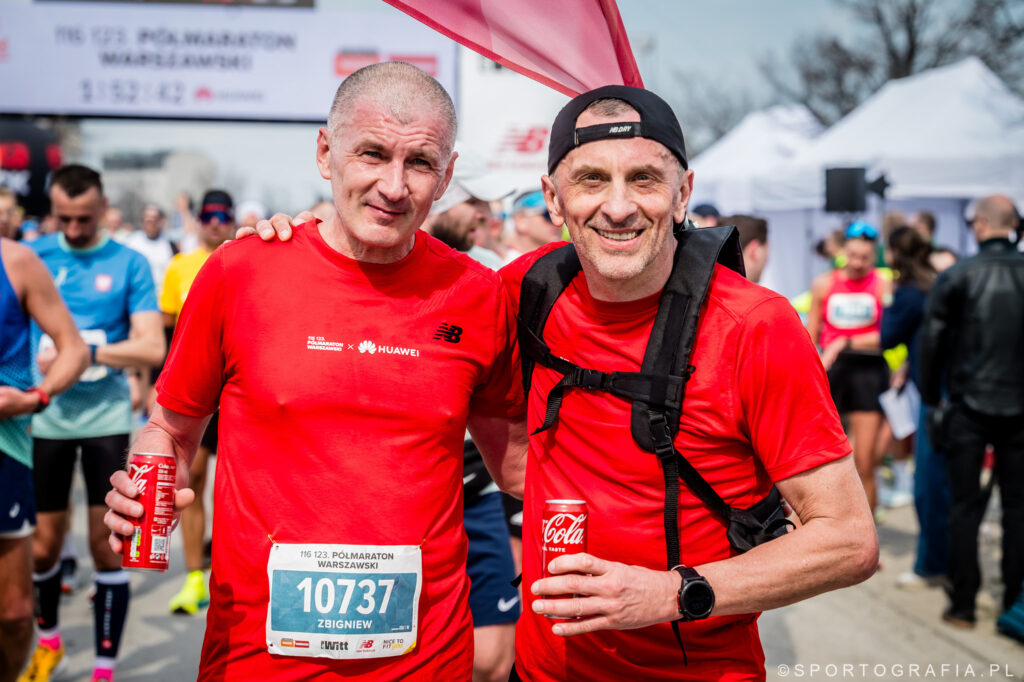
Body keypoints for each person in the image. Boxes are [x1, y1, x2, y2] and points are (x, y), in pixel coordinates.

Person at [254, 84, 878, 680]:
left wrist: (671, 591)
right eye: (591, 180)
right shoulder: (517, 292)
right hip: (542, 668)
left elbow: (849, 541)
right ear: (553, 198)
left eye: (644, 179)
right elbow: (385, 289)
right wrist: (304, 244)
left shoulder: (755, 326)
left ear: (683, 193)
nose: (618, 206)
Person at [104, 62, 526, 680]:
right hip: (256, 657)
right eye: (372, 154)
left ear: (446, 176)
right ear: (326, 153)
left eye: (420, 163)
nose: (393, 186)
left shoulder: (477, 295)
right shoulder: (239, 273)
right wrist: (143, 491)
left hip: (425, 659)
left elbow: (519, 468)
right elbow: (170, 427)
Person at [21, 165, 165, 682]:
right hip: (47, 417)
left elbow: (152, 346)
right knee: (43, 546)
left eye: (84, 218)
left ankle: (104, 669)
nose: (74, 229)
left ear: (102, 208)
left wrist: (87, 352)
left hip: (106, 417)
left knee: (106, 546)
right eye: (64, 218)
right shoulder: (34, 256)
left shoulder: (129, 262)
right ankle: (48, 644)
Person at [423, 166, 521, 682]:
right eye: (474, 202)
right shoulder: (374, 268)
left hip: (480, 491)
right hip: (411, 499)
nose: (485, 215)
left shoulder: (492, 275)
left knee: (492, 660)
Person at [919, 194, 1024, 631]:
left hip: (967, 405)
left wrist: (932, 400)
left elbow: (931, 343)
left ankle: (963, 603)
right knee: (1018, 507)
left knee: (964, 506)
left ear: (980, 225)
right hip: (1018, 406)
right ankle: (1014, 604)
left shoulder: (958, 274)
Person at [0, 237, 88, 682]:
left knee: (15, 615)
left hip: (7, 448)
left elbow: (75, 349)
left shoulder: (16, 260)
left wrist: (35, 398)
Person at [160, 190, 236, 617]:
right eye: (208, 216)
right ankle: (194, 578)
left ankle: (231, 572)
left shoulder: (249, 259)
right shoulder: (180, 265)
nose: (215, 223)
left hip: (240, 392)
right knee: (193, 480)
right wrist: (156, 385)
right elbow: (168, 332)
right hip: (199, 391)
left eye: (222, 215)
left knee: (236, 485)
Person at [879, 227, 949, 591]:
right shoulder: (937, 282)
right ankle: (947, 562)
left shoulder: (908, 292)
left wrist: (889, 299)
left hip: (933, 394)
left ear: (895, 253)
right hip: (954, 389)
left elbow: (887, 336)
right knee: (949, 484)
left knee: (928, 486)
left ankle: (931, 565)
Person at [807, 221, 892, 512]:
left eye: (865, 258)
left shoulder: (882, 283)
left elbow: (888, 335)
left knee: (865, 462)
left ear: (874, 256)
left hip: (868, 372)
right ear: (844, 251)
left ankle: (869, 529)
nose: (857, 263)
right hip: (834, 370)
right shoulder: (824, 283)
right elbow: (811, 333)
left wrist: (845, 341)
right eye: (853, 255)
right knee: (821, 459)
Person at [125, 204, 176, 295]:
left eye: (154, 219)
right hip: (138, 295)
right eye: (147, 219)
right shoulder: (132, 242)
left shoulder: (170, 244)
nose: (150, 222)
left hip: (162, 296)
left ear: (160, 221)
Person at [509, 190, 563, 258]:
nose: (558, 221)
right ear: (520, 221)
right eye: (548, 214)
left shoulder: (569, 258)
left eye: (560, 213)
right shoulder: (500, 262)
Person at [724, 214, 769, 284]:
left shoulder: (707, 288)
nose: (766, 260)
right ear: (754, 251)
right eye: (766, 252)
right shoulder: (766, 292)